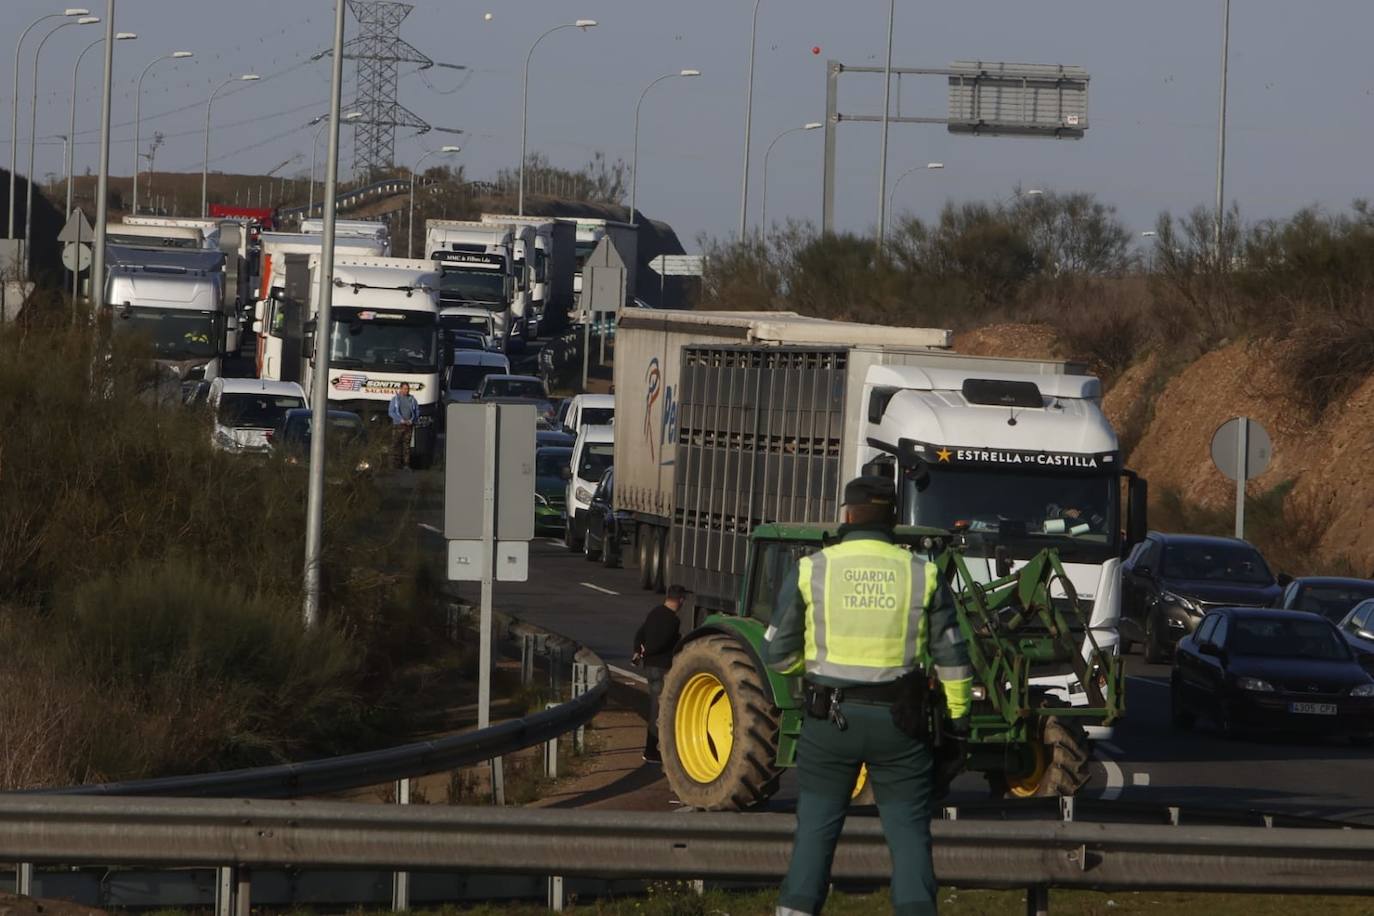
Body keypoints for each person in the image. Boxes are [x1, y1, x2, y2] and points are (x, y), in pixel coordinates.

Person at [764, 476, 972, 916]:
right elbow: (953, 657)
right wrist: (956, 723)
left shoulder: (813, 568)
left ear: (847, 515)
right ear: (894, 518)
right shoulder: (924, 573)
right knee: (910, 835)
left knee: (816, 834)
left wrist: (812, 675)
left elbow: (777, 652)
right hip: (902, 723)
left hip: (828, 721)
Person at [633, 584, 687, 763]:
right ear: (680, 600)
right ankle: (651, 751)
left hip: (649, 668)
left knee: (655, 708)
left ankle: (653, 750)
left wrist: (638, 651)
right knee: (660, 711)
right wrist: (647, 651)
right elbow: (661, 643)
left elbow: (640, 634)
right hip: (662, 668)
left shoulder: (654, 612)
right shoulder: (673, 621)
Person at [387, 383, 419, 469]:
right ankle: (394, 465)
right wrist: (400, 420)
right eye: (404, 389)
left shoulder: (412, 400)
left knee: (406, 446)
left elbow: (416, 412)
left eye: (407, 389)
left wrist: (412, 420)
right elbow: (391, 412)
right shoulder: (395, 399)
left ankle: (406, 464)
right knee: (395, 445)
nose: (406, 390)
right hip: (398, 425)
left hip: (408, 426)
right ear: (400, 389)